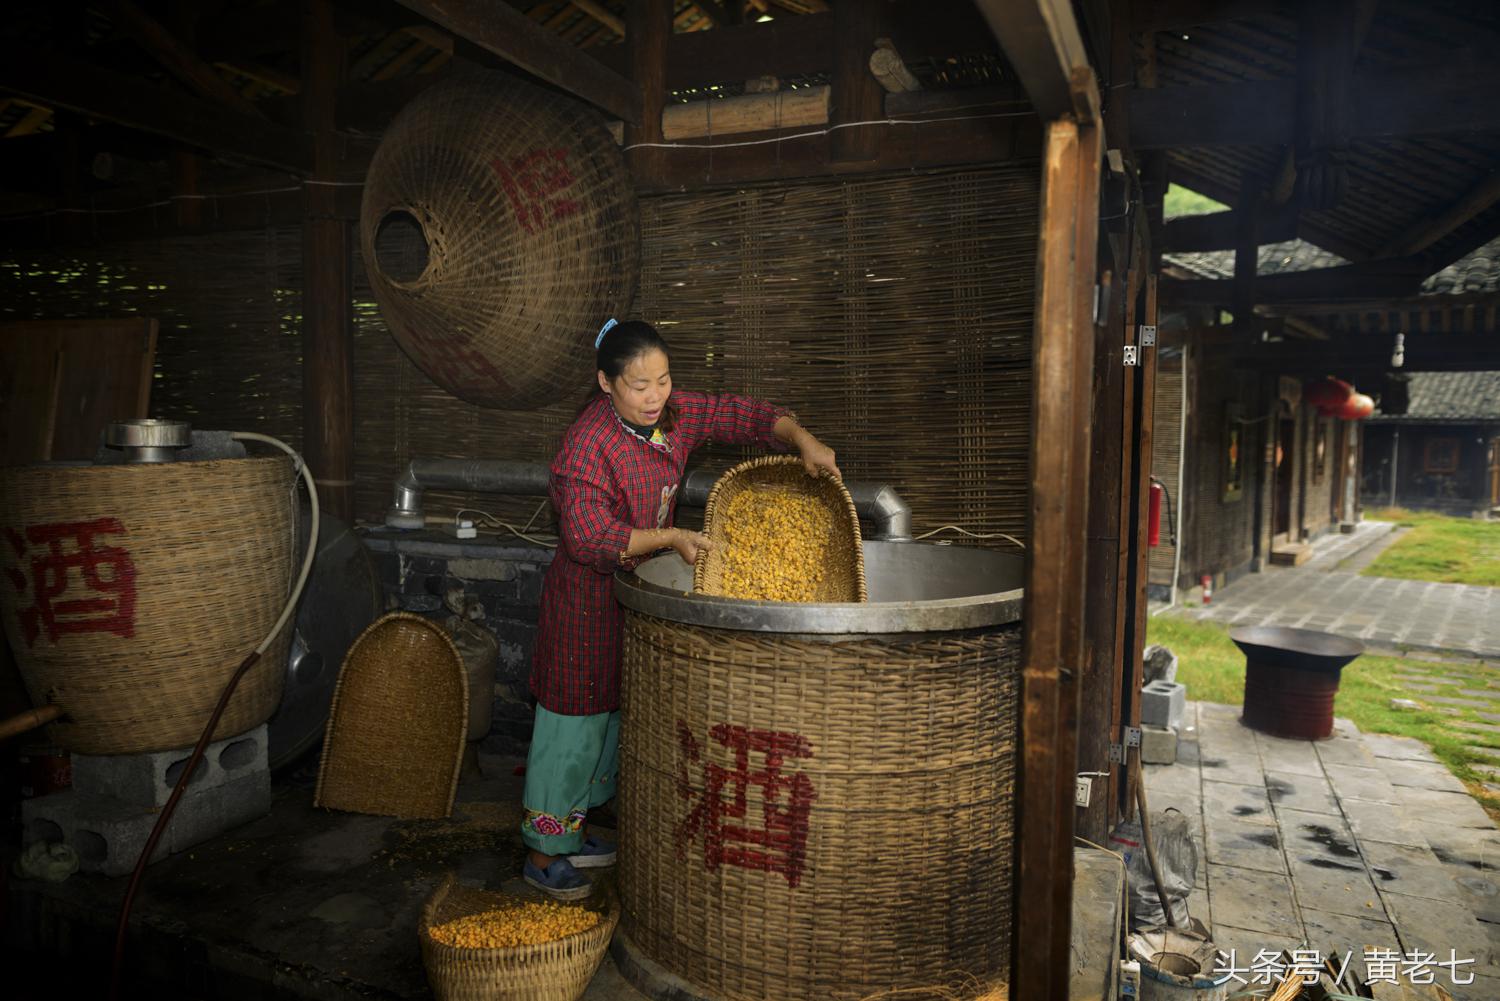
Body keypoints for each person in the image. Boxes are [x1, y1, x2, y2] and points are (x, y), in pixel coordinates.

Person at [520, 318, 840, 899]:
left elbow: (737, 414)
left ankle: (576, 829)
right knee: (572, 724)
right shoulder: (588, 446)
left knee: (613, 716)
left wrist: (802, 439)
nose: (655, 396)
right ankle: (543, 854)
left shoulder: (670, 416)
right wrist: (669, 539)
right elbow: (589, 537)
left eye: (663, 381)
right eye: (639, 385)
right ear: (605, 383)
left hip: (635, 597)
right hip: (584, 606)